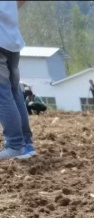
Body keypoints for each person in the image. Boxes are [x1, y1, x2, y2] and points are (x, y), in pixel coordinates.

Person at [0, 1, 35, 160]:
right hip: (12, 41)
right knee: (14, 92)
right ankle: (26, 143)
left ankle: (15, 145)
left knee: (3, 94)